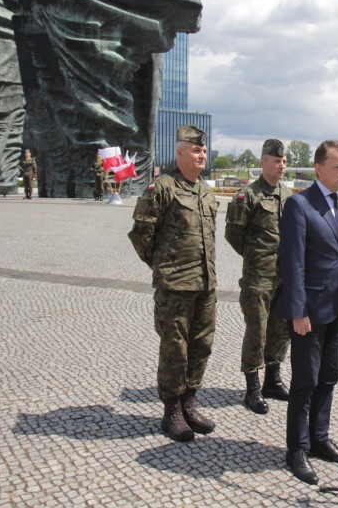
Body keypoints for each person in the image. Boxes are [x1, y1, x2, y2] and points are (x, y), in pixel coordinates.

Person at [273, 139, 338, 485]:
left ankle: (320, 439)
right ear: (319, 168)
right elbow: (292, 264)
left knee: (329, 378)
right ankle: (296, 448)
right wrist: (297, 311)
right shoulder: (300, 205)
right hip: (309, 313)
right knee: (305, 381)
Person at [127, 125, 218, 443]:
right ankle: (171, 411)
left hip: (205, 286)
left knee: (201, 346)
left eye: (204, 150)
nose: (201, 154)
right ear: (179, 153)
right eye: (195, 150)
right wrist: (164, 267)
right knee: (174, 350)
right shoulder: (162, 187)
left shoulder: (206, 191)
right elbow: (141, 235)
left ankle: (189, 402)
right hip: (175, 287)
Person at [224, 139, 293, 415]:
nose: (281, 165)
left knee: (281, 329)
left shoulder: (289, 195)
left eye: (284, 161)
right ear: (263, 162)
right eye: (276, 161)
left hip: (284, 276)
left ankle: (272, 380)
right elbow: (234, 234)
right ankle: (252, 387)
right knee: (257, 330)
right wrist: (255, 257)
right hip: (258, 277)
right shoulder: (247, 196)